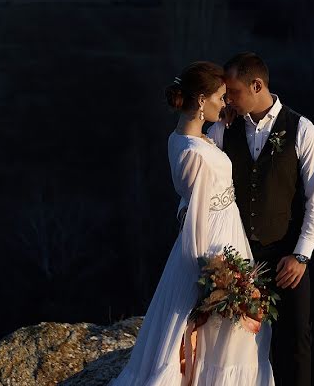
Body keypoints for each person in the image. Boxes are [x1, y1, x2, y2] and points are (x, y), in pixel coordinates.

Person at [110, 61, 275, 386]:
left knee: (237, 327)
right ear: (201, 100)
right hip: (213, 242)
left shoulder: (184, 140)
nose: (225, 103)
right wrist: (213, 272)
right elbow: (195, 210)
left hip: (226, 231)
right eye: (219, 97)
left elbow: (192, 195)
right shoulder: (193, 152)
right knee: (224, 323)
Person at [178, 52, 314, 386]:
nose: (228, 98)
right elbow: (199, 184)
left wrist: (301, 254)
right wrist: (186, 215)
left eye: (234, 92)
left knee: (297, 338)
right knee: (234, 341)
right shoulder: (222, 129)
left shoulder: (303, 130)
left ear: (257, 85)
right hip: (236, 258)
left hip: (286, 255)